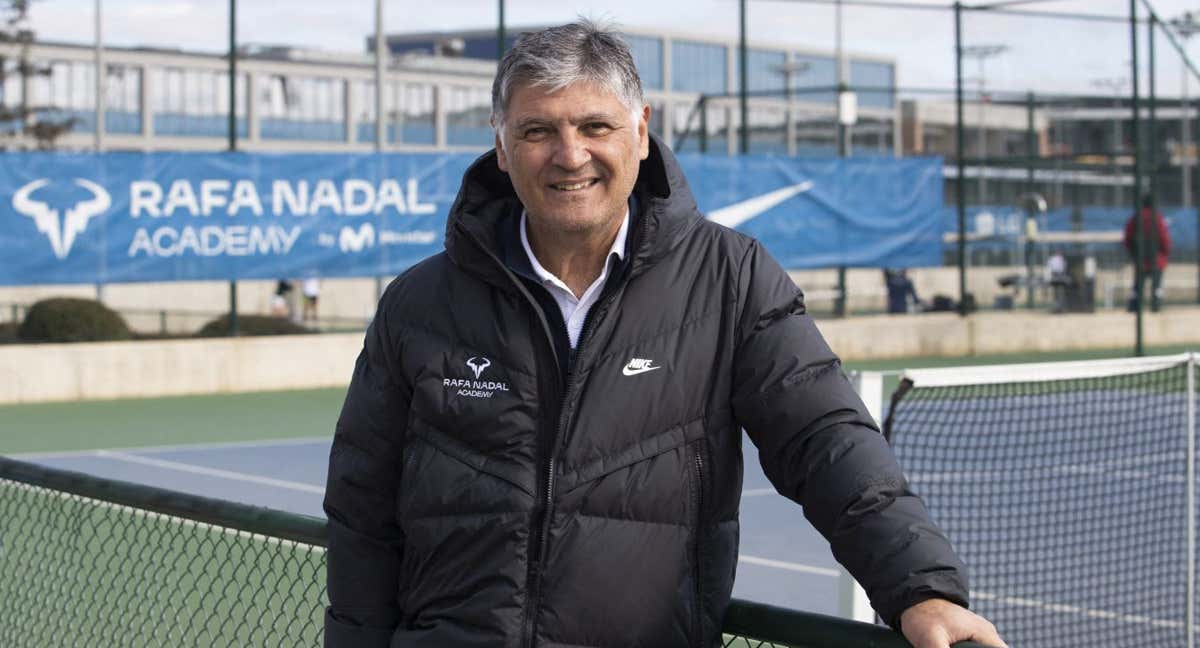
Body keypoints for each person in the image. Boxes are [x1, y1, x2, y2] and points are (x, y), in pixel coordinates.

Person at [324, 20, 1004, 648]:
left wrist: (920, 587)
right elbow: (362, 514)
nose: (570, 155)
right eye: (537, 132)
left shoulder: (731, 279)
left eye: (596, 125)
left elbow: (826, 439)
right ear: (501, 147)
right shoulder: (418, 303)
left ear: (641, 132)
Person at [1123, 194, 1171, 312]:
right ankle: (1156, 305)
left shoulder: (1136, 218)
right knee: (1157, 287)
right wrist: (1165, 253)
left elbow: (1128, 237)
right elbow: (1164, 238)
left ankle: (1135, 306)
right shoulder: (1157, 218)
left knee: (1138, 287)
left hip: (1140, 260)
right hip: (1157, 260)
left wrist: (1132, 253)